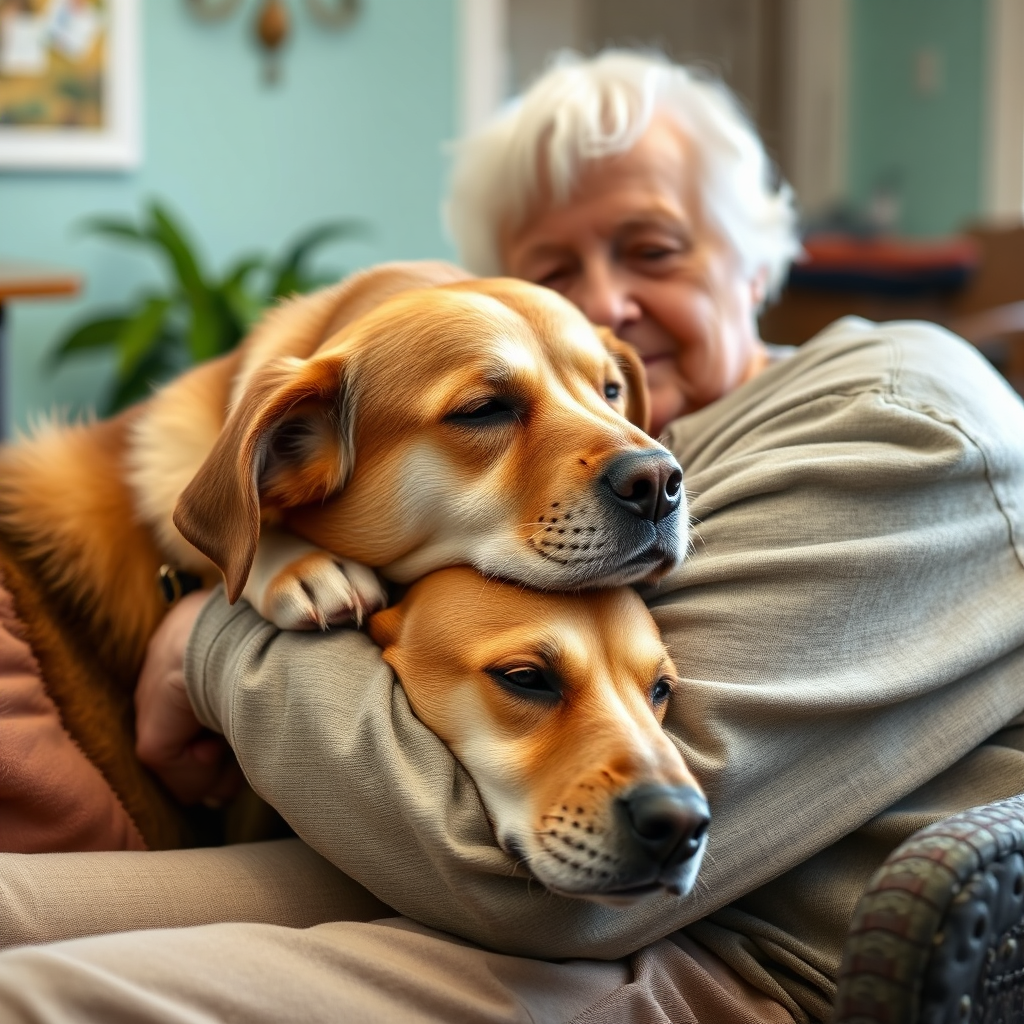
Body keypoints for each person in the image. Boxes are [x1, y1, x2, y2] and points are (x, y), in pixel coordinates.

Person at [2, 50, 1024, 1024]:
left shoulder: (897, 416)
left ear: (756, 256)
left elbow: (545, 872)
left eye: (654, 249)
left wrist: (207, 641)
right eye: (556, 278)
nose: (608, 304)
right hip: (453, 879)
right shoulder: (612, 470)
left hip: (704, 956)